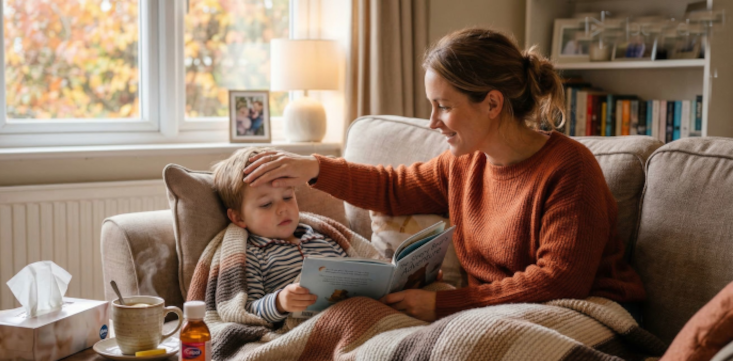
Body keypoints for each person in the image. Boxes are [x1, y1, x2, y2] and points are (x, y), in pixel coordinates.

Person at [240, 27, 647, 323]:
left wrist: (443, 305)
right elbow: (393, 188)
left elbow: (559, 281)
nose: (432, 122)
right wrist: (313, 168)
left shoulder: (569, 170)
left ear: (492, 103)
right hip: (496, 312)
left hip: (586, 311)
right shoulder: (465, 163)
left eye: (444, 106)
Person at [212, 147, 347, 323]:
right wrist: (279, 302)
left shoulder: (323, 238)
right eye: (266, 204)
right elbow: (247, 311)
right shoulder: (253, 255)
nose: (283, 208)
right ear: (238, 217)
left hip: (347, 314)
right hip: (303, 328)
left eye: (287, 197)